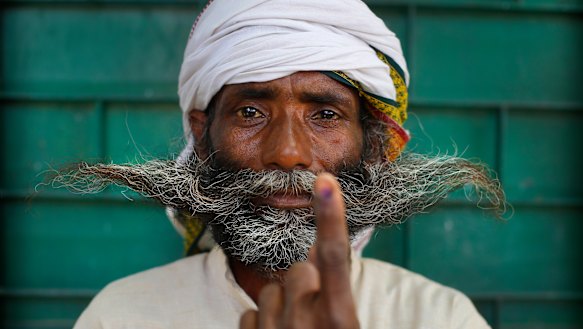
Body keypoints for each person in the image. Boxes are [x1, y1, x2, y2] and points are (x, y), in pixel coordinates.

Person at [54, 1, 506, 328]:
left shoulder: (438, 318)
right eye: (251, 112)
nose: (288, 152)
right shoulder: (122, 316)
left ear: (372, 145)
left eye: (325, 115)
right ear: (201, 134)